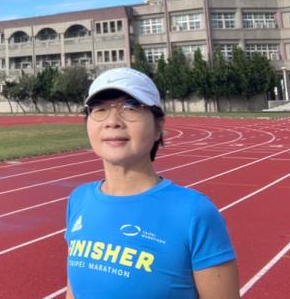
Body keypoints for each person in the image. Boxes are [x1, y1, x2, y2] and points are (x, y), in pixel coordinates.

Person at [65, 67, 239, 298]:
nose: (112, 121)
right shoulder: (79, 200)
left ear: (158, 126)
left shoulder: (193, 213)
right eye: (99, 109)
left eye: (130, 107)